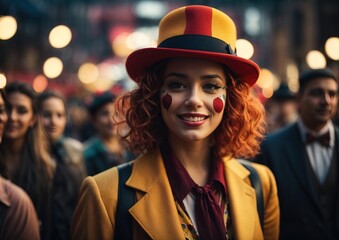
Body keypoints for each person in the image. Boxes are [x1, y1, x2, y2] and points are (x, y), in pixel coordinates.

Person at [72, 5, 279, 240]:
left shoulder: (261, 184)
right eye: (177, 84)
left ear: (230, 97)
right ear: (154, 95)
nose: (194, 100)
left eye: (210, 86)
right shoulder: (105, 194)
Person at [254, 68, 339, 240]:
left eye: (332, 94)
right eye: (317, 93)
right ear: (299, 99)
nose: (326, 101)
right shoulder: (271, 148)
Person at [38, 90, 86, 239]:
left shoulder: (75, 153)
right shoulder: (28, 155)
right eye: (47, 115)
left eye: (59, 115)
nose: (54, 121)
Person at [0, 88, 41, 240]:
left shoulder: (47, 169)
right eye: (7, 109)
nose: (12, 117)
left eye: (22, 111)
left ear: (33, 119)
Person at [83, 90, 135, 176]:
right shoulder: (88, 154)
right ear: (94, 120)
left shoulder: (130, 147)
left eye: (116, 113)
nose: (112, 120)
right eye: (104, 114)